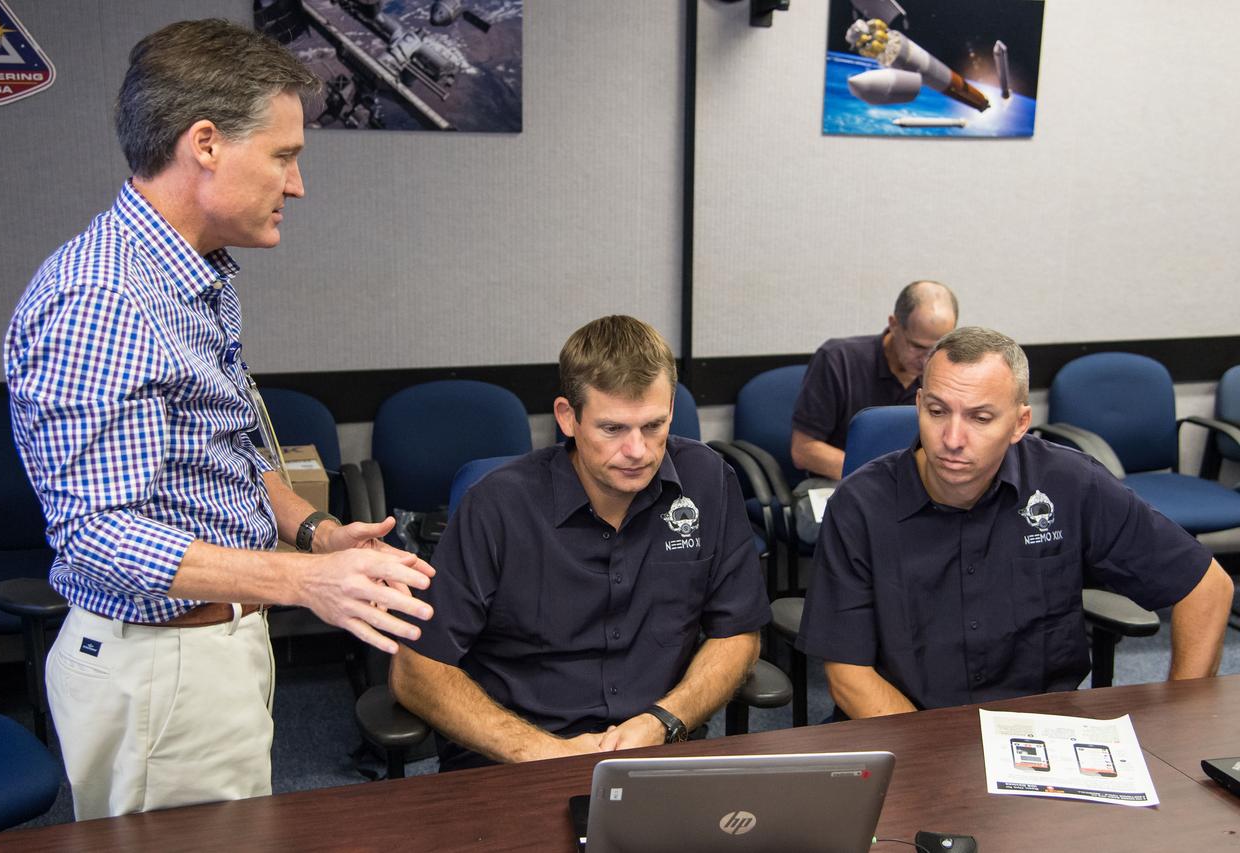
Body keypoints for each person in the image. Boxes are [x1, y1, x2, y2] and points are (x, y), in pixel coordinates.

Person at [4, 19, 434, 819]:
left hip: (216, 639)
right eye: (284, 155)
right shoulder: (104, 299)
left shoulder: (195, 276)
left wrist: (312, 532)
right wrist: (307, 581)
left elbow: (223, 446)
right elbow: (98, 531)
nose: (296, 184)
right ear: (205, 143)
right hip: (159, 669)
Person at [391, 316, 770, 770]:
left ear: (671, 407)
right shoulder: (498, 506)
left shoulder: (707, 481)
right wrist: (543, 752)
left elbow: (738, 633)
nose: (638, 451)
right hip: (517, 760)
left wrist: (665, 719)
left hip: (658, 750)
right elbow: (415, 670)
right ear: (567, 417)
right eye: (612, 429)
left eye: (653, 426)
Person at [796, 326, 1233, 719]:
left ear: (1020, 423)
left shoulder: (1069, 484)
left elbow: (1207, 586)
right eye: (936, 411)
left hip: (1042, 736)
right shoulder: (859, 505)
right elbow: (849, 675)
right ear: (918, 404)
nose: (951, 440)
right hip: (904, 729)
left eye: (980, 418)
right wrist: (933, 761)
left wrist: (1183, 718)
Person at [791, 280, 958, 482]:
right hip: (838, 482)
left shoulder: (945, 374)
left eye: (937, 348)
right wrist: (880, 480)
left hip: (909, 487)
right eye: (917, 347)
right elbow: (804, 450)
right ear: (894, 325)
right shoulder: (838, 360)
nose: (926, 361)